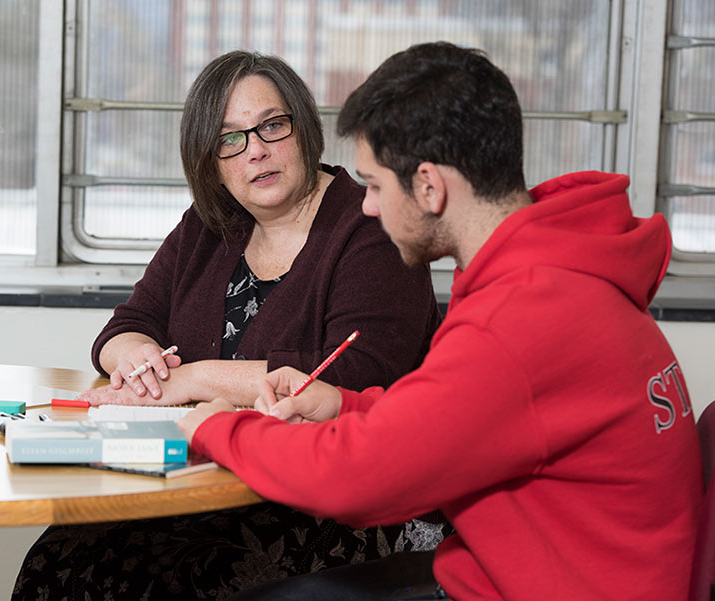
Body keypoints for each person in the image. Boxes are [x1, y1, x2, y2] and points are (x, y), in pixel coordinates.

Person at [177, 42, 704, 601]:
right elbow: (468, 412)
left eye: (375, 185)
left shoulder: (520, 320)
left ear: (429, 186)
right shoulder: (563, 277)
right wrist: (342, 403)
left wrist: (213, 428)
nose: (369, 207)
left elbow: (360, 480)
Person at [11, 50, 442, 600]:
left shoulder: (370, 224)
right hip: (204, 481)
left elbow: (355, 376)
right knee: (57, 558)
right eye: (228, 138)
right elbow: (126, 325)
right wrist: (138, 360)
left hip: (330, 500)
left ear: (303, 129)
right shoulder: (208, 225)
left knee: (148, 578)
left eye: (272, 126)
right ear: (209, 159)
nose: (255, 150)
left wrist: (193, 379)